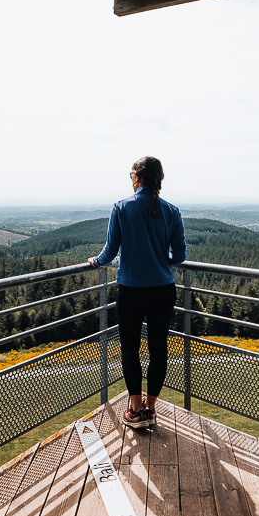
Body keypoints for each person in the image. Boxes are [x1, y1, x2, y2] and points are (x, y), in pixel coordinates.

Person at [89, 156, 186, 429]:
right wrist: (158, 255)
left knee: (130, 348)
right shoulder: (172, 211)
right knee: (158, 349)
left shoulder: (121, 208)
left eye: (131, 173)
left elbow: (109, 252)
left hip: (131, 290)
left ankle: (134, 410)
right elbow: (179, 256)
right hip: (163, 289)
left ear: (138, 178)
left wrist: (96, 262)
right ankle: (151, 408)